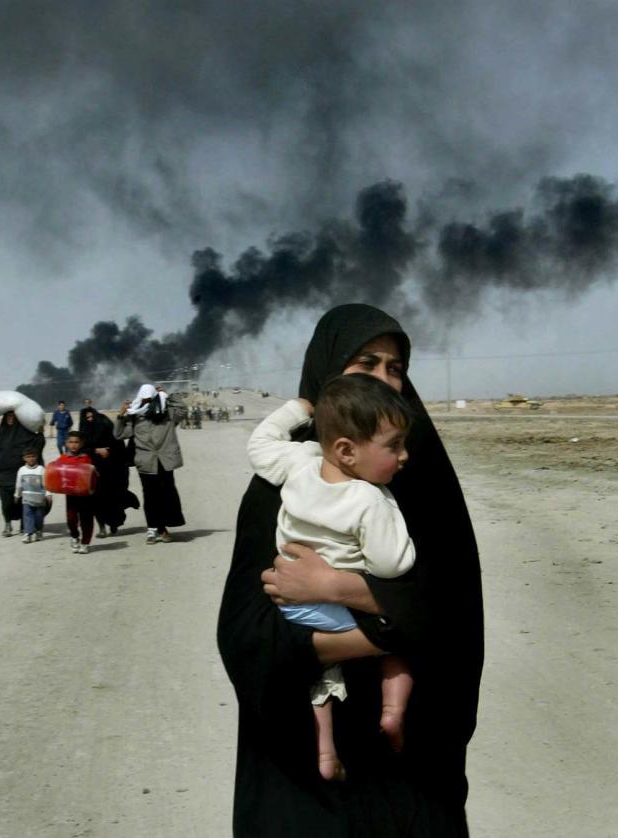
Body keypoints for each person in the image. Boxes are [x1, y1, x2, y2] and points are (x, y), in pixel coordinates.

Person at [217, 304, 484, 836]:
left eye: (396, 367)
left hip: (412, 769)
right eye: (366, 363)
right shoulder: (282, 487)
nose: (386, 379)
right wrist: (395, 623)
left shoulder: (423, 481)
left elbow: (456, 616)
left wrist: (343, 591)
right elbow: (246, 636)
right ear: (327, 374)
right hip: (303, 774)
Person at [247, 373, 416, 782]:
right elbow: (392, 565)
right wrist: (391, 509)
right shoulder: (369, 499)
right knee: (404, 637)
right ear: (346, 450)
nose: (405, 456)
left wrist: (296, 410)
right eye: (394, 446)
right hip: (342, 613)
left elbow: (260, 446)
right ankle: (393, 712)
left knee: (319, 677)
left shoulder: (299, 464)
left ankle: (325, 753)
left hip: (292, 608)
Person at [115, 384, 185, 544]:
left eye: (150, 399)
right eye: (144, 399)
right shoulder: (135, 417)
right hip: (146, 463)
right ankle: (153, 529)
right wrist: (121, 414)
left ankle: (163, 527)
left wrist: (167, 395)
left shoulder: (167, 415)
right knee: (150, 496)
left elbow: (182, 410)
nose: (147, 402)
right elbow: (119, 434)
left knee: (167, 494)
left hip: (165, 461)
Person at [0, 410, 45, 537]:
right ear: (4, 418)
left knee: (23, 501)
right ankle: (7, 524)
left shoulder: (24, 433)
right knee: (6, 502)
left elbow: (36, 445)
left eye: (13, 416)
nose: (10, 419)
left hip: (20, 475)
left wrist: (40, 433)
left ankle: (25, 526)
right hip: (2, 475)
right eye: (8, 416)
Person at [78, 405, 131, 538]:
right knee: (96, 501)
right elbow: (81, 450)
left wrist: (110, 452)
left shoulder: (107, 427)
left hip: (113, 470)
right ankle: (102, 528)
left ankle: (113, 524)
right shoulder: (83, 433)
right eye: (87, 418)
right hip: (95, 472)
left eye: (92, 416)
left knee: (113, 498)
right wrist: (96, 450)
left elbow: (119, 445)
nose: (90, 420)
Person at [56, 430, 95, 554]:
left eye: (76, 442)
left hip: (85, 495)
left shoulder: (86, 458)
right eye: (71, 442)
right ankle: (74, 536)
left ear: (81, 443)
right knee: (71, 519)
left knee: (86, 519)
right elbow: (57, 473)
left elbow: (90, 475)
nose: (73, 445)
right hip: (71, 495)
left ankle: (85, 542)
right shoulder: (63, 458)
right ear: (66, 443)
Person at [13, 449, 50, 543]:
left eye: (33, 456)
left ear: (36, 457)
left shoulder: (41, 469)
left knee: (39, 517)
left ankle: (38, 531)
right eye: (28, 457)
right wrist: (17, 495)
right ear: (24, 458)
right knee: (27, 515)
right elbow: (19, 484)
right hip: (26, 498)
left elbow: (46, 484)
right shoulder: (22, 470)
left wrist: (48, 494)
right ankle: (28, 534)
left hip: (39, 499)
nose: (31, 459)